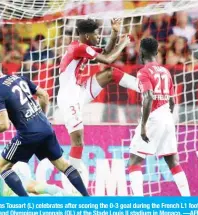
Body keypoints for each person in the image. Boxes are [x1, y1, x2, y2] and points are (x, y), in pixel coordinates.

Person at [0, 56, 89, 196]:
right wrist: (39, 118)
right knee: (63, 165)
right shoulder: (19, 78)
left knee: (2, 166)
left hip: (28, 134)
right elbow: (44, 95)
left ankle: (26, 203)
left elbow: (3, 125)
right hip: (45, 127)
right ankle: (87, 198)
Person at [57, 18, 140, 183]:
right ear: (87, 36)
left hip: (80, 91)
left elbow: (106, 52)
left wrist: (115, 32)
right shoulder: (78, 48)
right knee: (78, 141)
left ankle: (144, 87)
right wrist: (123, 44)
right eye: (95, 33)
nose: (97, 36)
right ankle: (72, 183)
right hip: (68, 98)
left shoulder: (83, 45)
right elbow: (108, 58)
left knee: (110, 74)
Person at [128, 37, 190, 196]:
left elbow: (148, 97)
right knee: (173, 161)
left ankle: (139, 205)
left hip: (153, 117)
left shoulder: (144, 71)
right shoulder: (165, 71)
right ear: (156, 52)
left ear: (141, 52)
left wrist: (143, 125)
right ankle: (188, 201)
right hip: (168, 117)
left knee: (134, 161)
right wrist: (167, 116)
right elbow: (172, 100)